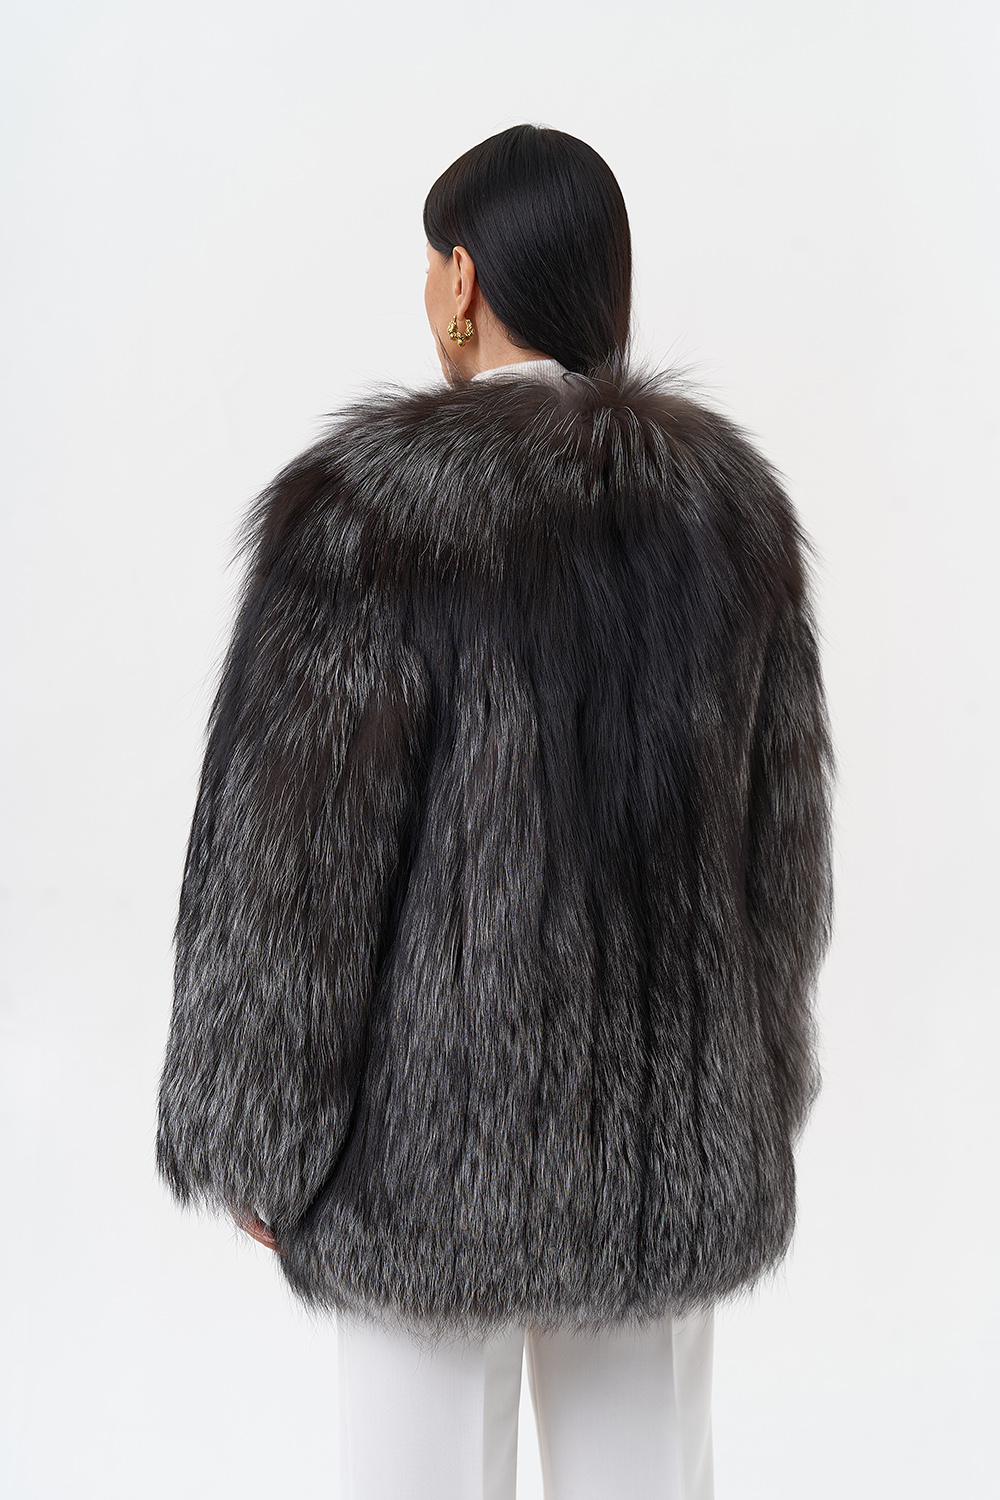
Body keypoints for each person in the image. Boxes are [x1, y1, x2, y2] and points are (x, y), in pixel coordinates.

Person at [155, 123, 835, 1499]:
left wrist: (256, 1133)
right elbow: (783, 859)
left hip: (420, 1157)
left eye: (431, 266)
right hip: (659, 1154)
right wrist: (750, 1095)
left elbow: (292, 868)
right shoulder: (731, 513)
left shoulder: (371, 512)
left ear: (463, 280)